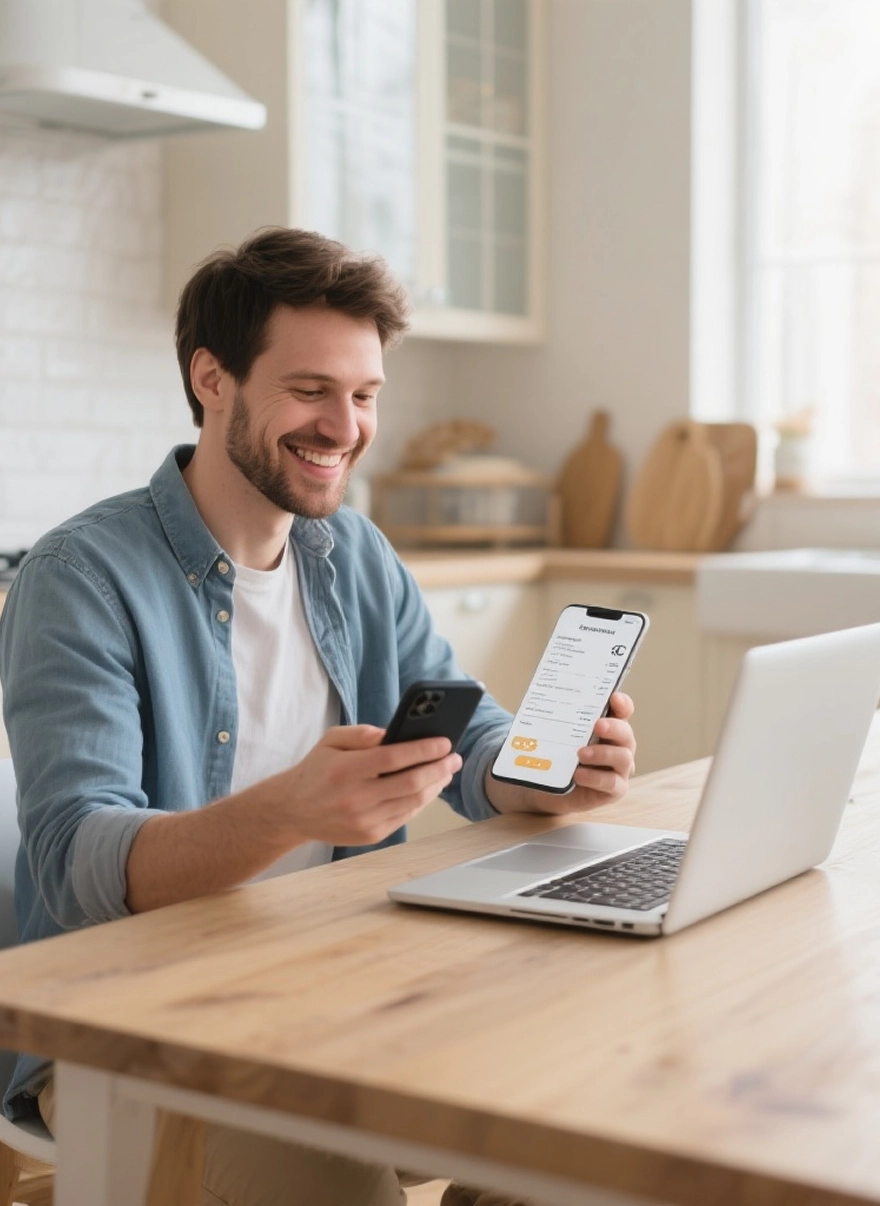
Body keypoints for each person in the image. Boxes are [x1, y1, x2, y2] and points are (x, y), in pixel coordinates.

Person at [0, 227, 637, 1206]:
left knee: (592, 1125)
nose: (345, 425)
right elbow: (76, 861)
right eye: (311, 391)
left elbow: (460, 736)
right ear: (212, 380)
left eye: (365, 394)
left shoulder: (352, 553)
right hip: (135, 1030)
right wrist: (289, 812)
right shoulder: (81, 577)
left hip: (335, 986)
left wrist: (536, 772)